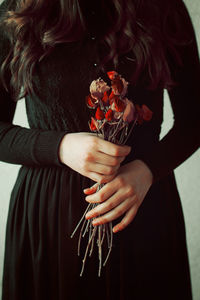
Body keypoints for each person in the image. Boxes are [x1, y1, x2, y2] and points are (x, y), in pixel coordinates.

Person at [0, 0, 199, 299]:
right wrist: (60, 146)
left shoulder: (163, 7)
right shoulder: (18, 11)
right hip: (49, 221)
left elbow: (194, 120)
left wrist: (148, 170)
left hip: (144, 209)